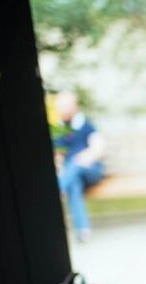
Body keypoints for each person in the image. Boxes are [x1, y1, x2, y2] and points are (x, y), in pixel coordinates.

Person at [52, 91, 105, 243]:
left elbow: (98, 148)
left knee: (75, 164)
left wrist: (86, 157)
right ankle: (83, 231)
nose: (62, 110)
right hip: (72, 174)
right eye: (60, 107)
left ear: (74, 107)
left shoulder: (86, 125)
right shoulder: (60, 129)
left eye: (65, 106)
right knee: (74, 186)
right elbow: (59, 155)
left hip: (91, 170)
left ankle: (57, 189)